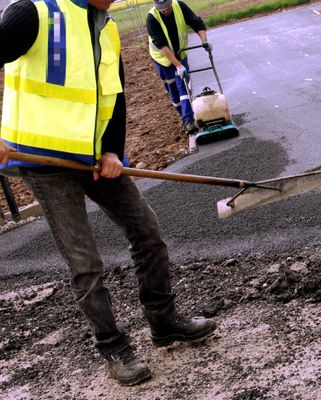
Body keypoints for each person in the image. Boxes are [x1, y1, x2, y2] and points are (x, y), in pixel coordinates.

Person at [0, 0, 217, 387]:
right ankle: (113, 346)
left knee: (147, 231)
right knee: (85, 263)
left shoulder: (109, 27)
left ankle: (164, 322)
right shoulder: (32, 13)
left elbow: (112, 97)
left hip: (96, 158)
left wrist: (114, 150)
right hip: (45, 165)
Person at [146, 0, 212, 136]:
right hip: (162, 59)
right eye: (161, 9)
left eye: (166, 7)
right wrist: (177, 65)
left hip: (180, 54)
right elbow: (162, 45)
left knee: (183, 86)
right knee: (174, 93)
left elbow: (196, 23)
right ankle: (185, 117)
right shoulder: (152, 18)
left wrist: (204, 41)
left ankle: (189, 121)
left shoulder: (179, 6)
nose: (165, 10)